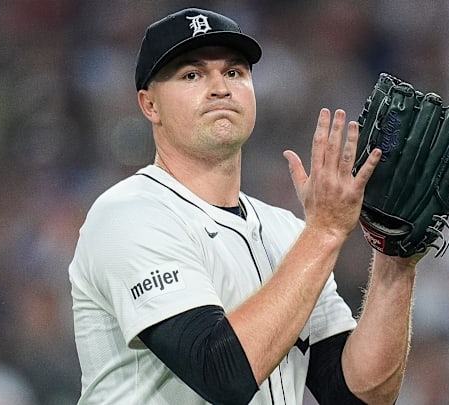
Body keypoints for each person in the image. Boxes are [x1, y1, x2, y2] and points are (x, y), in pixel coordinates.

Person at [69, 7, 422, 405]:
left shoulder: (287, 232)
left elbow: (359, 396)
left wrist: (395, 259)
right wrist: (324, 232)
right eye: (192, 74)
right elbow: (220, 373)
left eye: (234, 72)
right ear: (150, 105)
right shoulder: (128, 214)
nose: (220, 87)